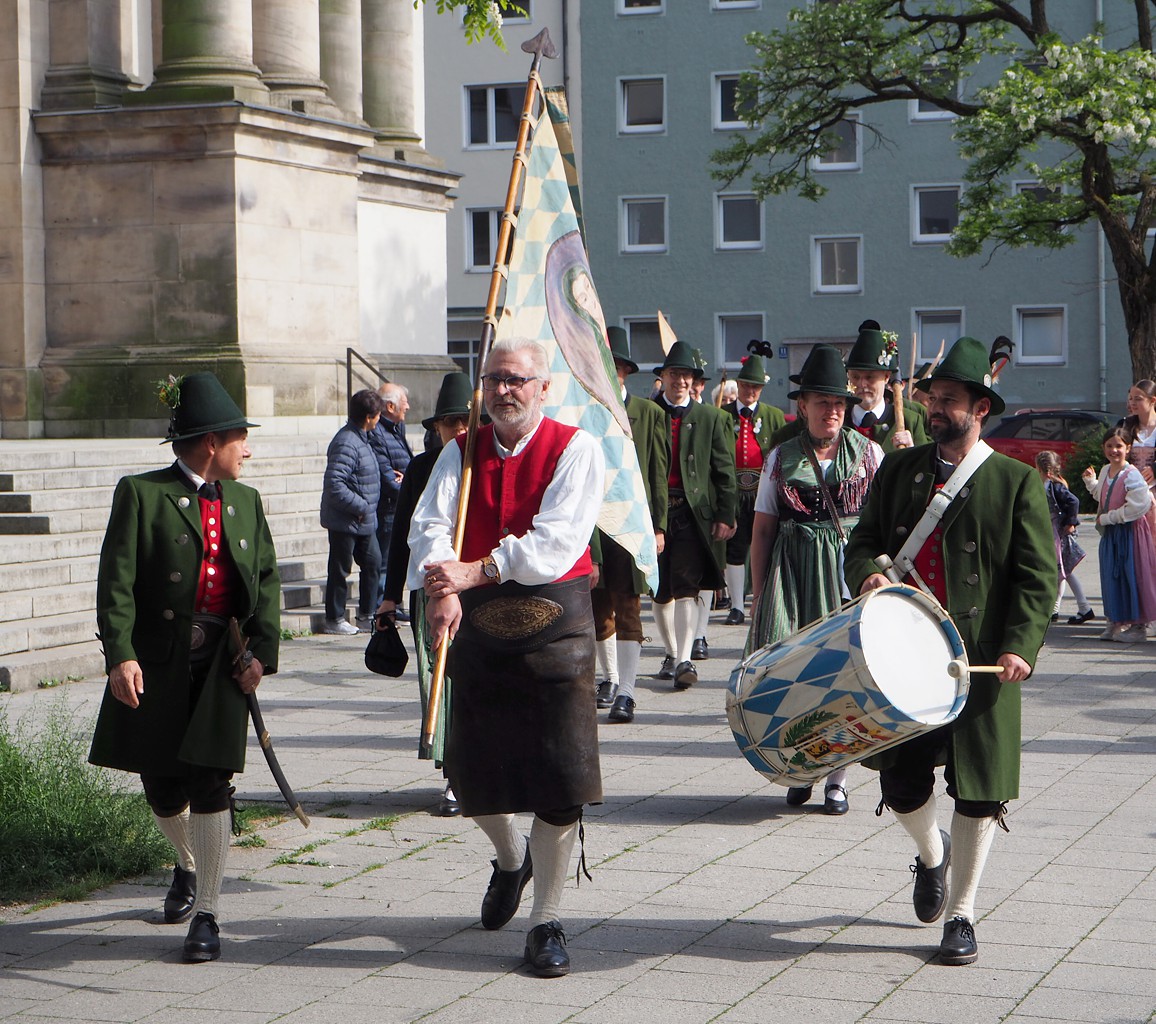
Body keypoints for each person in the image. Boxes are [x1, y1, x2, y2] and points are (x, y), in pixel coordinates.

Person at [844, 335, 1055, 967]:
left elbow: (1038, 578)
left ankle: (962, 913)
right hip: (904, 656)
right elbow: (863, 540)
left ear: (980, 408)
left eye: (948, 400)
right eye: (932, 398)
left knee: (979, 790)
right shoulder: (898, 469)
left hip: (980, 659)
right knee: (901, 781)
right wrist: (868, 573)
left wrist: (1020, 646)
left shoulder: (1015, 482)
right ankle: (932, 854)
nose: (935, 409)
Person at [408, 338, 605, 978]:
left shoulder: (575, 449)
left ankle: (546, 921)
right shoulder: (460, 453)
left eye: (516, 379)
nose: (502, 390)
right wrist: (441, 586)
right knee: (473, 775)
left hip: (557, 631)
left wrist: (478, 569)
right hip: (480, 629)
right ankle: (511, 858)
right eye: (493, 379)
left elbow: (557, 542)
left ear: (543, 388)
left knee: (561, 783)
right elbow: (430, 527)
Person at [89, 371, 280, 963]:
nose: (248, 450)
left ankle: (209, 914)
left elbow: (267, 583)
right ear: (210, 442)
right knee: (162, 784)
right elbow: (116, 583)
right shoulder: (141, 494)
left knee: (211, 783)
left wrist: (261, 656)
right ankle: (188, 862)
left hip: (222, 664)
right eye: (241, 438)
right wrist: (120, 654)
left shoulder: (246, 501)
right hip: (159, 663)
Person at [747, 345, 883, 816]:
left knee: (846, 676)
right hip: (792, 577)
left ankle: (837, 781)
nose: (832, 411)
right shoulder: (780, 457)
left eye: (839, 403)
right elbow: (762, 529)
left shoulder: (870, 454)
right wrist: (759, 593)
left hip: (847, 576)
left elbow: (884, 525)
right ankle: (801, 768)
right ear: (802, 405)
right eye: (823, 402)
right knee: (795, 675)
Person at [378, 372, 473, 816]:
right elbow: (402, 537)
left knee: (478, 682)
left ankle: (481, 768)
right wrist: (389, 597)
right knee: (440, 681)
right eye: (451, 422)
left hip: (479, 589)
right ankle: (453, 774)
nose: (460, 429)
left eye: (467, 421)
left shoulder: (487, 464)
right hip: (432, 595)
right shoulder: (420, 468)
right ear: (436, 427)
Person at [590, 327, 669, 724]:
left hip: (632, 523)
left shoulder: (649, 413)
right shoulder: (586, 412)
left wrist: (658, 526)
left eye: (616, 366)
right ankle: (609, 678)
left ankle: (627, 691)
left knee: (629, 607)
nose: (610, 372)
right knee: (597, 608)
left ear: (624, 371)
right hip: (593, 524)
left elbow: (657, 474)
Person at [650, 341, 737, 688]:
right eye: (675, 374)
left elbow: (724, 470)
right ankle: (671, 653)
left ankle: (685, 659)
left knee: (687, 584)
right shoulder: (648, 413)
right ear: (663, 377)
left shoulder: (711, 418)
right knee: (659, 590)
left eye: (686, 375)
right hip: (653, 513)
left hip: (692, 514)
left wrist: (726, 514)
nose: (681, 381)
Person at [721, 354, 786, 627]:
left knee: (766, 545)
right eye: (746, 385)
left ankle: (763, 599)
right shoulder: (723, 415)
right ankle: (736, 605)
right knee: (735, 548)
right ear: (738, 385)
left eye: (756, 387)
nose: (750, 391)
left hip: (762, 491)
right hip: (734, 490)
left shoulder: (773, 416)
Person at [1082, 426, 1156, 643]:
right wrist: (1091, 483)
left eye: (1119, 446)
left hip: (1130, 533)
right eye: (1109, 446)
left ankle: (1138, 626)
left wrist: (1109, 518)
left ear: (1128, 448)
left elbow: (1139, 505)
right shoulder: (1106, 470)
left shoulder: (1132, 475)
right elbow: (1105, 495)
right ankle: (1115, 620)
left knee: (1132, 575)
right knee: (1111, 576)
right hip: (1112, 534)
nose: (1114, 450)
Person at [320, 389, 384, 634]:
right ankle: (334, 618)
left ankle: (367, 615)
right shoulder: (347, 441)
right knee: (340, 569)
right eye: (377, 415)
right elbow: (335, 484)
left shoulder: (362, 438)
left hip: (364, 520)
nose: (379, 419)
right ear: (368, 417)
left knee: (373, 563)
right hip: (345, 520)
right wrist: (361, 506)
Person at [844, 324, 931, 453]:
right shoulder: (839, 420)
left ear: (886, 377)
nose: (862, 384)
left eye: (869, 377)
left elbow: (927, 465)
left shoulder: (911, 421)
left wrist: (912, 454)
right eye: (855, 377)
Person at [1035, 450, 1094, 625]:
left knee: (1064, 571)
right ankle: (1056, 609)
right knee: (1061, 570)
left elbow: (1073, 501)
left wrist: (1070, 523)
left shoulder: (1055, 487)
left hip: (1057, 534)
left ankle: (1084, 607)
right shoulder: (1048, 485)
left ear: (1044, 470)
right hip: (1052, 532)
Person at [369, 382, 413, 613]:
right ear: (390, 406)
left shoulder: (397, 429)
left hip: (399, 505)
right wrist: (407, 485)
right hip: (387, 509)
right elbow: (387, 477)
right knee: (385, 563)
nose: (408, 406)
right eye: (404, 401)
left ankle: (393, 604)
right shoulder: (378, 433)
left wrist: (407, 480)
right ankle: (383, 607)